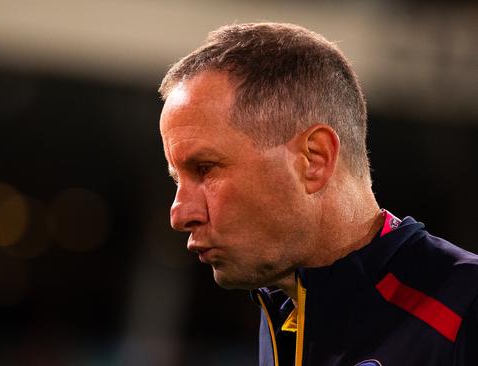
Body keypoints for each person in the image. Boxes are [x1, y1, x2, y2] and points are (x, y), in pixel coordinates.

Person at [158, 22, 477, 366]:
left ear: (314, 159)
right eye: (178, 179)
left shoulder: (467, 309)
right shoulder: (285, 311)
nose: (179, 213)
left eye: (205, 169)